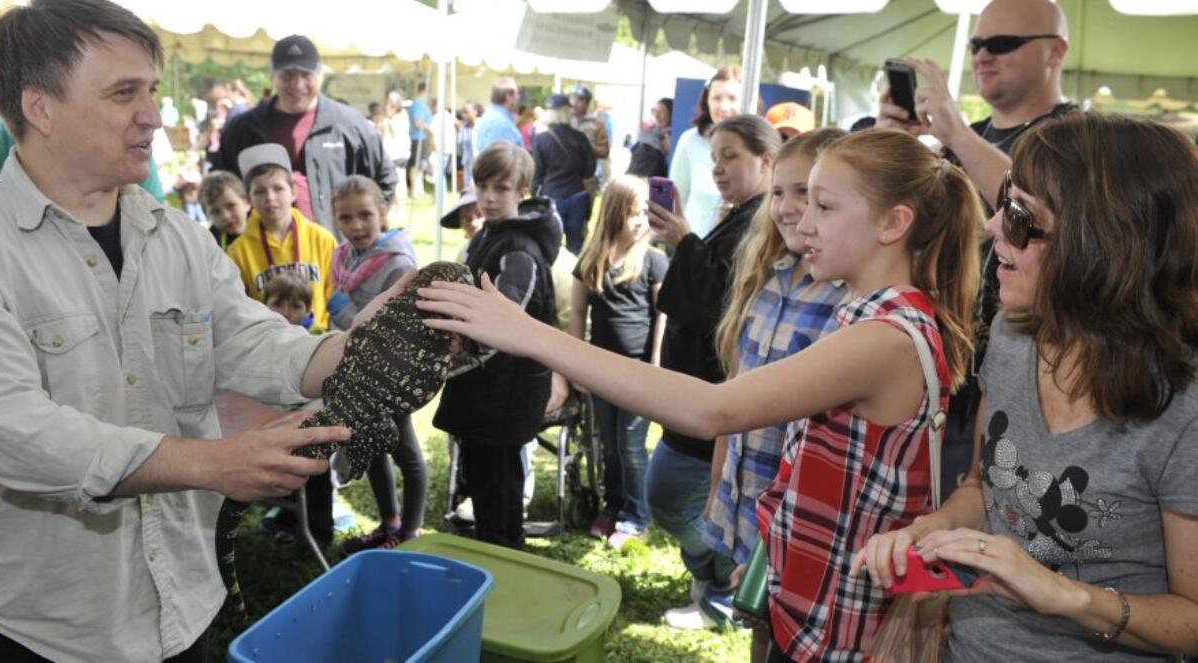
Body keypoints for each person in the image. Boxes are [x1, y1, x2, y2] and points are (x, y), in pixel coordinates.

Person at [420, 126, 984, 659]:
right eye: (803, 201)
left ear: (894, 223)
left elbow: (711, 409)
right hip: (814, 598)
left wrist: (529, 334)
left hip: (847, 621)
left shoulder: (884, 339)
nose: (802, 222)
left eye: (824, 206)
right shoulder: (866, 316)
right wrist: (773, 560)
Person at [0, 2, 408, 660]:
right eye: (125, 93)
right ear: (40, 108)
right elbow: (14, 432)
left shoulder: (171, 232)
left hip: (183, 599)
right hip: (45, 628)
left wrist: (362, 348)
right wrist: (213, 465)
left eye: (152, 89)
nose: (152, 113)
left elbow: (251, 339)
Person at [856, 113, 1198, 661]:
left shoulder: (1184, 409)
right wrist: (931, 531)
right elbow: (982, 489)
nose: (992, 228)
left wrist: (1064, 596)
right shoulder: (1017, 339)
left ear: (1103, 244)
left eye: (1018, 217)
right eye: (1003, 206)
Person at [878, 0, 1075, 501]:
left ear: (1056, 52)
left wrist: (957, 134)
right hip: (937, 372)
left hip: (1020, 386)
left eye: (1003, 43)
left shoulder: (1079, 140)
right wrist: (893, 147)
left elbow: (1054, 219)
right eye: (977, 44)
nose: (984, 56)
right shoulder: (968, 142)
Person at [703, 128, 849, 661]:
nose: (789, 208)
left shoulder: (848, 301)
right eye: (780, 192)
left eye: (806, 194)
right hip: (748, 494)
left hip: (796, 518)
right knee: (757, 624)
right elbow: (735, 393)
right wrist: (719, 477)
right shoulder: (771, 279)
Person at [639, 114, 781, 630]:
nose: (718, 167)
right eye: (714, 156)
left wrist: (683, 240)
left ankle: (722, 583)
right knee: (681, 495)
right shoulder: (745, 213)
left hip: (714, 393)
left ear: (766, 161)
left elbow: (718, 300)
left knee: (673, 495)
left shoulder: (764, 221)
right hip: (701, 389)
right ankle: (717, 583)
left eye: (731, 156)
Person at [431, 142, 561, 550]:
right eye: (482, 185)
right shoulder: (488, 234)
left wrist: (446, 365)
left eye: (501, 188)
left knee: (502, 501)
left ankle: (507, 572)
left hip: (507, 395)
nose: (488, 197)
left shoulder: (520, 250)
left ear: (521, 191)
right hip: (481, 391)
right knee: (483, 487)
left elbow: (499, 328)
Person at [323, 175, 427, 553]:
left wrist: (343, 309)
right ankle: (390, 524)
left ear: (383, 211)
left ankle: (411, 533)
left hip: (391, 375)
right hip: (357, 374)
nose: (356, 225)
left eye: (365, 215)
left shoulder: (398, 263)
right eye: (345, 218)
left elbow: (385, 328)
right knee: (372, 446)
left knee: (406, 453)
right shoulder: (344, 257)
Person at [213, 34, 398, 238]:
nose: (297, 84)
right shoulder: (244, 129)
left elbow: (385, 177)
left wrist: (364, 227)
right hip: (263, 257)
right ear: (272, 77)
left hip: (336, 256)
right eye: (287, 75)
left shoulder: (351, 125)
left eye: (305, 75)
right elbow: (220, 185)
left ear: (320, 76)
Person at [569, 174, 668, 548]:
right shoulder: (591, 261)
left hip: (638, 372)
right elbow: (577, 314)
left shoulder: (654, 261)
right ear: (613, 215)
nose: (640, 220)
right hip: (600, 371)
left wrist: (657, 361)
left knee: (630, 445)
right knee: (607, 444)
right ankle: (613, 504)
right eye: (633, 213)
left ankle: (636, 515)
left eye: (645, 212)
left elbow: (663, 315)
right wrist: (574, 362)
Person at [227, 143, 337, 333]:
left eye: (278, 188)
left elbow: (336, 295)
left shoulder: (322, 239)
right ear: (249, 199)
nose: (269, 197)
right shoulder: (237, 252)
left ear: (293, 192)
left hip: (318, 340)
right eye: (260, 191)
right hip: (269, 345)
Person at [0, 116, 167, 200]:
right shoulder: (8, 131)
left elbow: (153, 201)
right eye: (123, 93)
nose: (153, 118)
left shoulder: (125, 132)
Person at [670, 66, 742, 238]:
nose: (724, 106)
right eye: (716, 98)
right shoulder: (690, 141)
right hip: (693, 247)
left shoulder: (756, 146)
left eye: (732, 98)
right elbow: (676, 198)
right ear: (706, 101)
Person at [532, 94, 596, 255]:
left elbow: (537, 175)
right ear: (567, 111)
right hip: (577, 196)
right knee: (575, 247)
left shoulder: (541, 139)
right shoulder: (580, 137)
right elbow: (590, 170)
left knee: (551, 247)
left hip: (552, 198)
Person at [199, 170, 249, 251]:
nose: (225, 216)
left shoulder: (267, 227)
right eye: (216, 211)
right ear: (207, 215)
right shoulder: (210, 246)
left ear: (246, 202)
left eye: (231, 206)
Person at [627, 97, 673, 178]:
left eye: (661, 112)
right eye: (655, 111)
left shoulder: (671, 134)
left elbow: (669, 150)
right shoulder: (650, 131)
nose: (656, 115)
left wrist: (661, 134)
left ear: (671, 115)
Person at [475, 76, 523, 151]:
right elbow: (496, 159)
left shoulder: (492, 116)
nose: (518, 97)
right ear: (508, 96)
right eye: (517, 93)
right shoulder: (500, 123)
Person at [408, 82, 433, 200]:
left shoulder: (420, 103)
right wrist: (431, 129)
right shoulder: (418, 104)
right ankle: (415, 190)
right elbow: (418, 122)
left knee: (420, 165)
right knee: (416, 164)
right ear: (424, 91)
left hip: (421, 137)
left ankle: (420, 190)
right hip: (417, 137)